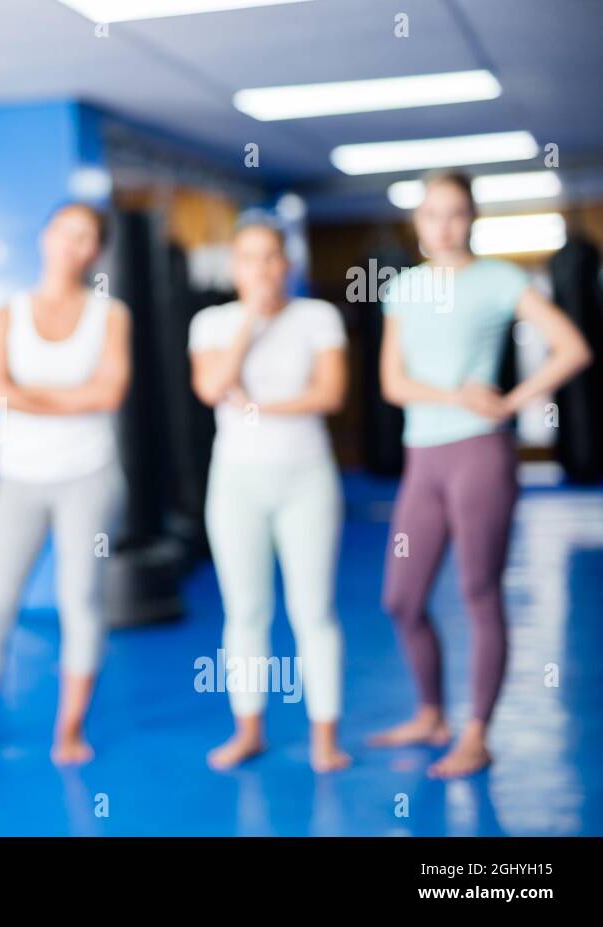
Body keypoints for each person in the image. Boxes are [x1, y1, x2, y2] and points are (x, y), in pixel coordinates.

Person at [371, 170, 592, 778]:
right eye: (431, 213)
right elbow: (392, 384)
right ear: (417, 225)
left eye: (455, 212)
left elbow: (573, 347)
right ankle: (431, 714)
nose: (443, 225)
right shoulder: (403, 289)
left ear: (472, 219)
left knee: (478, 590)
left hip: (480, 455)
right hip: (424, 455)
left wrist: (513, 399)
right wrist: (455, 394)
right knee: (401, 598)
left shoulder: (499, 279)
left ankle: (476, 734)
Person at [0, 202, 130, 766]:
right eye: (64, 231)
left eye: (85, 236)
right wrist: (70, 398)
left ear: (95, 250)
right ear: (46, 238)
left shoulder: (111, 315)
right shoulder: (8, 313)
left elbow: (108, 396)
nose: (72, 244)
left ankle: (69, 731)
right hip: (19, 479)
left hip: (89, 475)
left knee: (79, 600)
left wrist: (29, 397)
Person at [190, 219, 351, 773]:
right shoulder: (211, 323)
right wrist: (250, 324)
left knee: (314, 611)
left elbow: (330, 394)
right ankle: (249, 731)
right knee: (246, 611)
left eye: (272, 257)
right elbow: (212, 388)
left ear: (288, 263)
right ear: (234, 268)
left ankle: (325, 738)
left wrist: (256, 406)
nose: (262, 269)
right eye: (250, 259)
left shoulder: (318, 317)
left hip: (306, 477)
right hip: (236, 482)